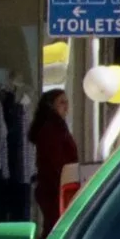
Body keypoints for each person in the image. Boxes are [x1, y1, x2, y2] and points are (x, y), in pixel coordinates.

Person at [29, 88, 78, 229]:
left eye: (67, 102)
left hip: (55, 186)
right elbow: (54, 161)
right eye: (61, 102)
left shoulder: (58, 127)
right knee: (55, 227)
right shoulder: (51, 129)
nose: (66, 107)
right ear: (51, 106)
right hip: (54, 188)